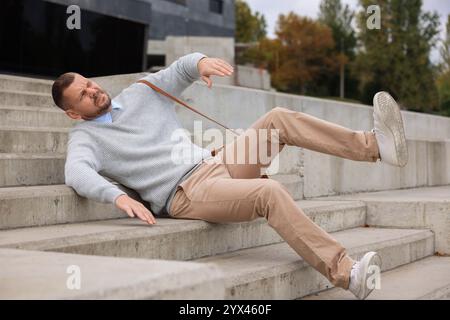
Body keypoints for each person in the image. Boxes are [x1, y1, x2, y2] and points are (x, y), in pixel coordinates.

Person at [52, 52, 408, 300]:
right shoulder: (86, 138)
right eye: (83, 94)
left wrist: (200, 63)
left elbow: (178, 70)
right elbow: (76, 172)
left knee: (278, 118)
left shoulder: (140, 94)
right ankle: (348, 274)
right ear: (72, 113)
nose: (94, 91)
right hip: (188, 191)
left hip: (218, 163)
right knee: (270, 195)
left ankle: (374, 147)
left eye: (90, 83)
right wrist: (118, 196)